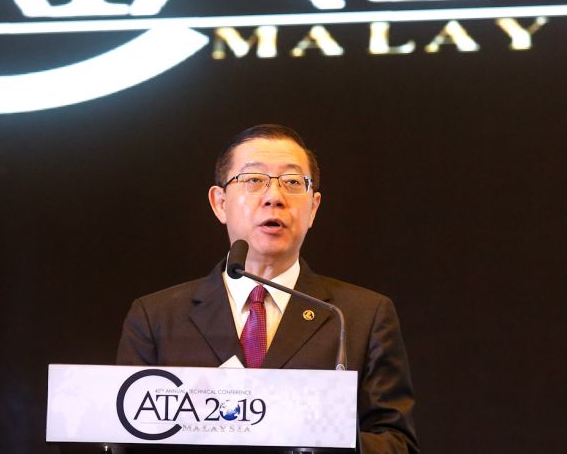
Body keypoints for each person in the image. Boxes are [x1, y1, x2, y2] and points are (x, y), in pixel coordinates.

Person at [116, 124, 418, 454]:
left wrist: (320, 437)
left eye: (292, 182)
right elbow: (128, 439)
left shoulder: (360, 316)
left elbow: (397, 443)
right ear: (220, 203)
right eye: (253, 180)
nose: (274, 197)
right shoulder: (156, 318)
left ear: (313, 207)